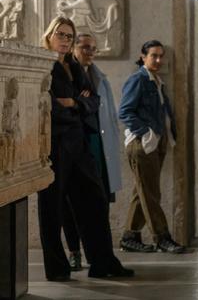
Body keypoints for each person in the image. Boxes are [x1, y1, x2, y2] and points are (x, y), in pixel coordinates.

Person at [38, 16, 133, 281]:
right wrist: (77, 106)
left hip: (79, 145)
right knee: (52, 209)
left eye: (69, 36)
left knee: (95, 200)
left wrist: (73, 104)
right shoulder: (43, 65)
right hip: (55, 145)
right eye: (60, 34)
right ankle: (57, 269)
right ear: (49, 36)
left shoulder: (74, 67)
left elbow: (94, 101)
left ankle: (103, 262)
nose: (65, 40)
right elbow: (47, 106)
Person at [62, 33, 124, 270]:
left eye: (94, 49)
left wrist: (83, 103)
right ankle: (75, 251)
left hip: (100, 145)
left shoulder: (99, 77)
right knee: (72, 203)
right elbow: (75, 106)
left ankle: (98, 254)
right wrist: (81, 102)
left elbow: (101, 109)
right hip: (79, 143)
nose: (90, 52)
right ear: (74, 48)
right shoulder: (69, 73)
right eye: (85, 47)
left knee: (100, 200)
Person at [118, 40, 186, 253]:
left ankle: (129, 236)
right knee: (151, 194)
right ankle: (162, 237)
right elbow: (125, 112)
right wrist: (146, 133)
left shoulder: (156, 81)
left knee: (143, 191)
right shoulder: (138, 79)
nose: (158, 60)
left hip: (156, 142)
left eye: (160, 56)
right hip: (142, 144)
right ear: (143, 56)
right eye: (153, 55)